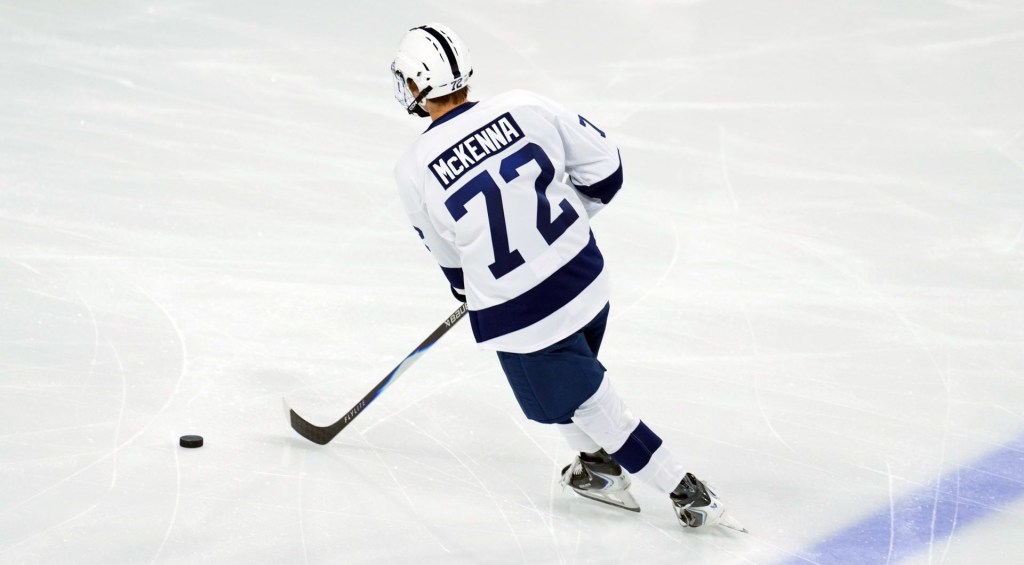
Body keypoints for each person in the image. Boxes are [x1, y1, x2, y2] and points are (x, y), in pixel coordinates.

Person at [389, 23, 744, 532]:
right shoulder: (524, 105)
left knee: (590, 405)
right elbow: (606, 171)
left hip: (525, 318)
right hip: (587, 282)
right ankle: (598, 470)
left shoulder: (414, 169)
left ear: (418, 86)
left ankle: (687, 490)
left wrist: (476, 287)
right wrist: (556, 228)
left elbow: (451, 262)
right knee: (562, 394)